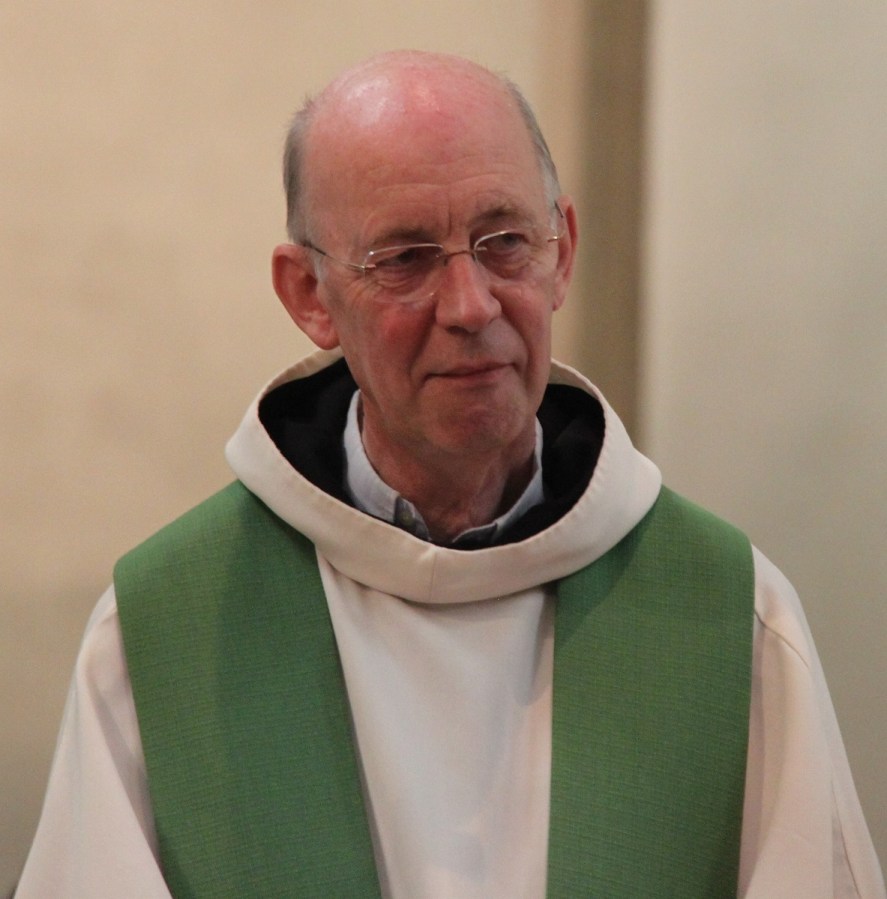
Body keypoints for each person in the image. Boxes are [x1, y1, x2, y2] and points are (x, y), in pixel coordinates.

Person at [17, 50, 884, 898]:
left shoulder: (731, 614)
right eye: (404, 258)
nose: (471, 305)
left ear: (562, 253)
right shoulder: (165, 633)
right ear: (309, 295)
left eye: (504, 242)